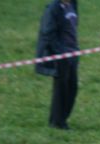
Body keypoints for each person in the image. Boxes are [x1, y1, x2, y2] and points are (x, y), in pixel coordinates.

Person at [35, 0, 79, 130]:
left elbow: (73, 27)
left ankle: (63, 119)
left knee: (72, 88)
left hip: (73, 53)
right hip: (61, 55)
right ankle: (57, 122)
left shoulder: (73, 4)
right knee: (61, 89)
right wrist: (60, 53)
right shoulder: (53, 9)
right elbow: (48, 32)